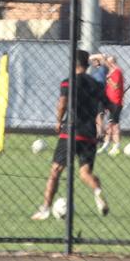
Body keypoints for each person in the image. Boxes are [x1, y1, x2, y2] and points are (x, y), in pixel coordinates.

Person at [31, 49, 109, 220]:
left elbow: (62, 103)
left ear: (74, 64)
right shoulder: (96, 85)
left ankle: (45, 208)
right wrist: (103, 126)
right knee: (85, 173)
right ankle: (97, 191)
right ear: (87, 64)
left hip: (71, 132)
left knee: (56, 171)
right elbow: (105, 106)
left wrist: (58, 120)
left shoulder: (68, 82)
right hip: (89, 135)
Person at [97, 55, 124, 156]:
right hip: (109, 101)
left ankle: (116, 146)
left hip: (116, 102)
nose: (107, 64)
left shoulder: (117, 72)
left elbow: (115, 86)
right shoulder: (110, 72)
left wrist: (108, 79)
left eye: (109, 62)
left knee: (114, 125)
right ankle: (106, 145)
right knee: (109, 125)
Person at [89, 53, 109, 144]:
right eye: (93, 62)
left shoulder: (103, 69)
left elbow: (103, 57)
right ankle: (99, 135)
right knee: (97, 118)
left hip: (101, 96)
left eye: (96, 61)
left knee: (100, 116)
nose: (94, 63)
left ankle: (101, 136)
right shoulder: (94, 73)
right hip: (94, 97)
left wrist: (94, 56)